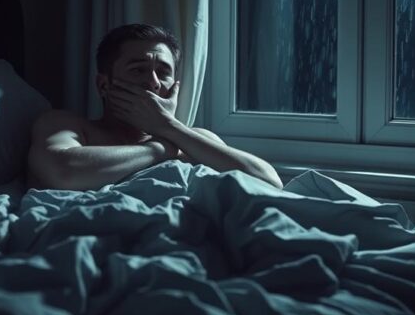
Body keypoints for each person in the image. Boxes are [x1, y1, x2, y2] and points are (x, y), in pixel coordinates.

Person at [28, 24, 283, 191]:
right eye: (138, 70)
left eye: (163, 72)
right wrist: (162, 147)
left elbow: (269, 183)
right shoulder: (67, 125)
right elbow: (63, 172)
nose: (153, 82)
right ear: (104, 85)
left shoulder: (195, 139)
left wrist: (168, 128)